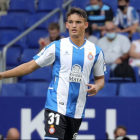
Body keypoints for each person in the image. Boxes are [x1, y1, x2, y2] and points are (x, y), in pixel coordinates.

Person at [0, 7, 106, 140]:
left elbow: (100, 79)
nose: (74, 25)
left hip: (77, 108)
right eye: (71, 22)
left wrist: (98, 86)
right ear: (66, 25)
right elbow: (30, 66)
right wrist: (2, 75)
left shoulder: (96, 51)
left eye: (78, 22)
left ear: (85, 25)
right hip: (56, 103)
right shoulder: (56, 46)